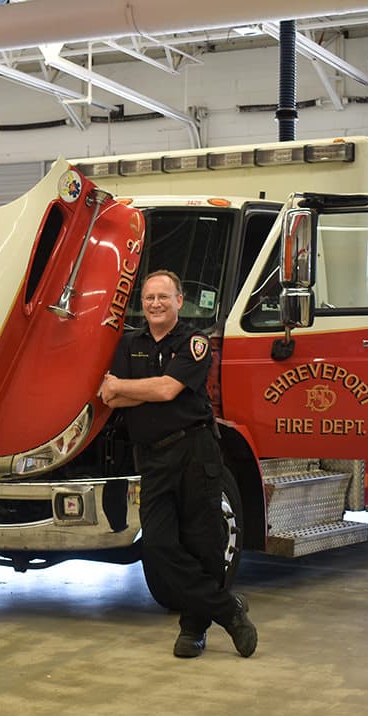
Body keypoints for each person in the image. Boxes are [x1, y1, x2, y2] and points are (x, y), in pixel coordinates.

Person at [98, 270, 257, 659]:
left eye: (163, 297)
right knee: (157, 543)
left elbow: (167, 388)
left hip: (194, 452)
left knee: (205, 543)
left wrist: (129, 387)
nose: (154, 304)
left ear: (179, 300)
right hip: (152, 457)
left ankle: (193, 628)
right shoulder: (128, 343)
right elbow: (111, 398)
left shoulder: (195, 342)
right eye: (149, 297)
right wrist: (136, 390)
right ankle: (228, 610)